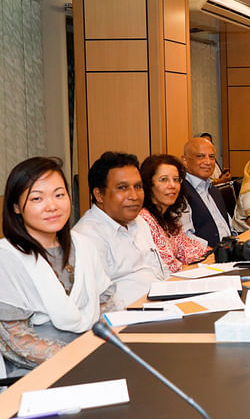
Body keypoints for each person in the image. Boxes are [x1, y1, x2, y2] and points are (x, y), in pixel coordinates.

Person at [0, 157, 115, 375]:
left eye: (59, 195)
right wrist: (80, 357)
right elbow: (17, 341)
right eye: (37, 198)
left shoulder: (82, 245)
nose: (52, 206)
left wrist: (102, 348)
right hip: (38, 374)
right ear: (16, 207)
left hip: (93, 356)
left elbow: (106, 301)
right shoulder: (6, 258)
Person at [74, 152, 163, 307]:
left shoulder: (139, 221)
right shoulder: (87, 236)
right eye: (122, 188)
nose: (134, 196)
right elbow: (98, 303)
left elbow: (159, 269)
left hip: (162, 303)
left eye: (138, 187)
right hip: (128, 319)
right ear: (99, 195)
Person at [139, 155, 209, 275]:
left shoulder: (169, 218)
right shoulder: (144, 219)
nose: (172, 185)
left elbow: (187, 250)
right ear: (148, 184)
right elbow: (168, 268)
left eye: (176, 179)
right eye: (164, 179)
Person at [180, 137, 232, 247]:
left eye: (211, 157)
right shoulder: (179, 192)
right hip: (204, 256)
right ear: (185, 160)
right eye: (200, 156)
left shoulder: (214, 190)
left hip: (226, 251)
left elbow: (228, 225)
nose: (208, 162)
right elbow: (185, 237)